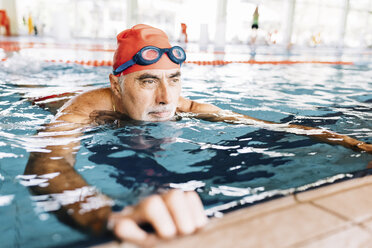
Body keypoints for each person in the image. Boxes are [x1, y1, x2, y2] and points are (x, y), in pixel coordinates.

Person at [25, 24, 372, 247]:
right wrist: (104, 215)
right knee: (33, 93)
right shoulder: (84, 109)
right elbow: (47, 162)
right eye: (148, 81)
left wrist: (346, 140)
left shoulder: (184, 104)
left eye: (173, 79)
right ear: (116, 84)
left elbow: (262, 124)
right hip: (49, 100)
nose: (165, 99)